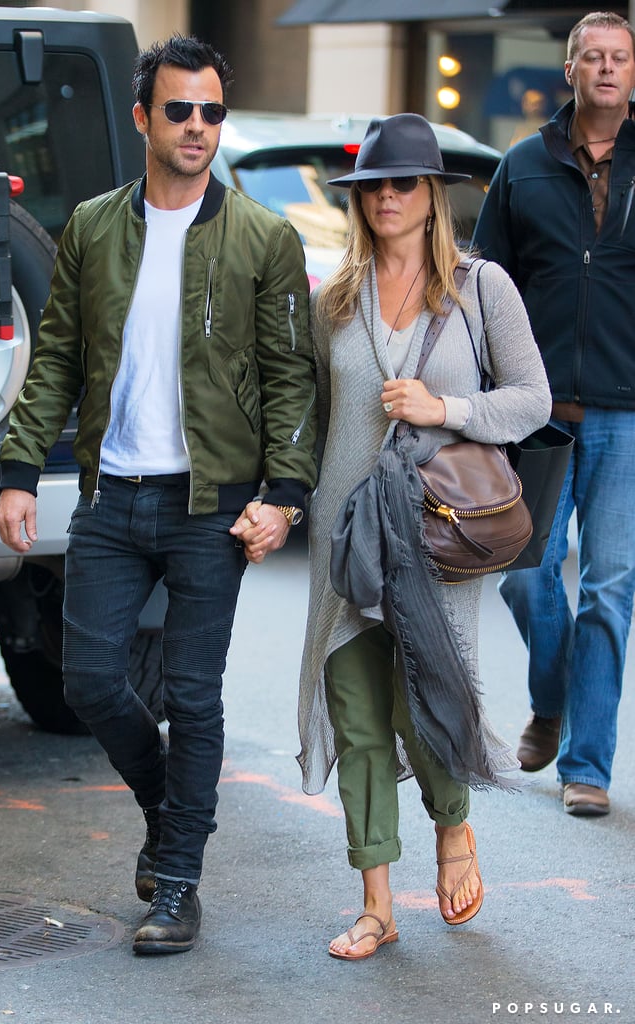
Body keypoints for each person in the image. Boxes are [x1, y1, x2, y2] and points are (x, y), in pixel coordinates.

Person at [0, 35, 317, 955]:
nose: (197, 128)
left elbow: (291, 376)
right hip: (112, 494)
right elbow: (54, 355)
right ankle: (169, 804)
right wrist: (21, 470)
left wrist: (284, 493)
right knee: (90, 678)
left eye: (212, 111)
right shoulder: (96, 225)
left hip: (210, 505)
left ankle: (176, 882)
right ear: (143, 118)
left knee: (195, 694)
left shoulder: (262, 235)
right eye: (179, 110)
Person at [296, 113, 551, 960]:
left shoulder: (480, 289)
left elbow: (532, 400)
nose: (384, 198)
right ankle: (375, 901)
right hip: (346, 537)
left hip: (435, 538)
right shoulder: (335, 297)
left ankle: (452, 830)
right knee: (357, 711)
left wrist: (448, 410)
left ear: (432, 194)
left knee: (423, 702)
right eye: (370, 186)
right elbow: (310, 418)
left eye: (401, 183)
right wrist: (278, 501)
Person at [473, 11, 635, 817]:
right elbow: (481, 286)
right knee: (524, 571)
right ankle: (553, 696)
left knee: (609, 587)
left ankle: (586, 767)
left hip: (626, 415)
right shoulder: (522, 167)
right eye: (591, 57)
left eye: (619, 58)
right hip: (535, 415)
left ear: (632, 74)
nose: (605, 69)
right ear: (568, 69)